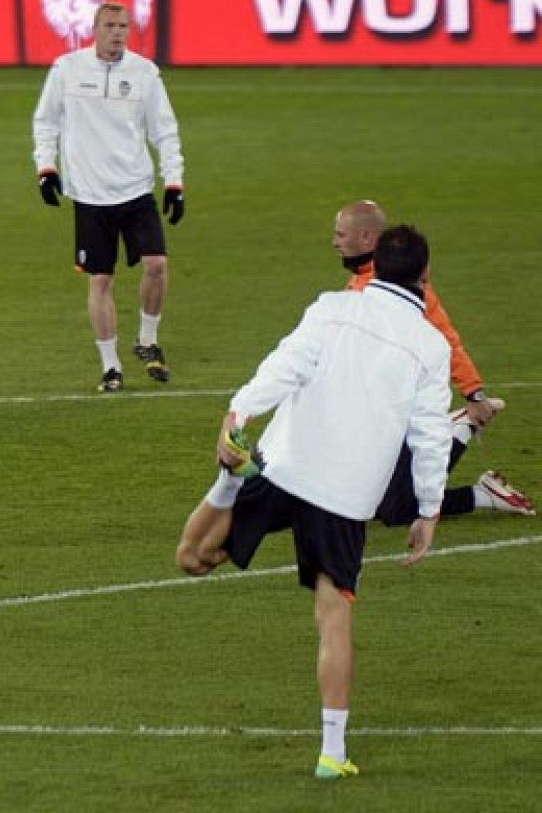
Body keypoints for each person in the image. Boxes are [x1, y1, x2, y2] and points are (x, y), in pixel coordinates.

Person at [177, 225, 452, 780]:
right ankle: (332, 752)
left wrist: (239, 412)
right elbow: (430, 436)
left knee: (192, 559)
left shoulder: (331, 309)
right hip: (346, 496)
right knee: (333, 617)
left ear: (372, 262)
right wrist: (428, 510)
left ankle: (230, 480)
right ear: (424, 276)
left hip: (286, 465)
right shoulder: (432, 345)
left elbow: (286, 364)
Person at [332, 200, 531, 521]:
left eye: (341, 235)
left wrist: (474, 393)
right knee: (387, 508)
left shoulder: (402, 286)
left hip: (406, 410)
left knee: (394, 510)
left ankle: (458, 426)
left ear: (367, 238)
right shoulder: (360, 283)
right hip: (377, 412)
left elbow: (446, 339)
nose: (335, 242)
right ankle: (482, 495)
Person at [31, 1, 185, 392]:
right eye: (111, 25)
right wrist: (45, 169)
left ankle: (147, 340)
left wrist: (174, 182)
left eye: (124, 26)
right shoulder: (66, 69)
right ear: (94, 28)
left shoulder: (145, 73)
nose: (118, 32)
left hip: (135, 189)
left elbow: (164, 131)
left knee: (156, 265)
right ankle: (111, 366)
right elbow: (45, 121)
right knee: (101, 280)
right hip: (89, 195)